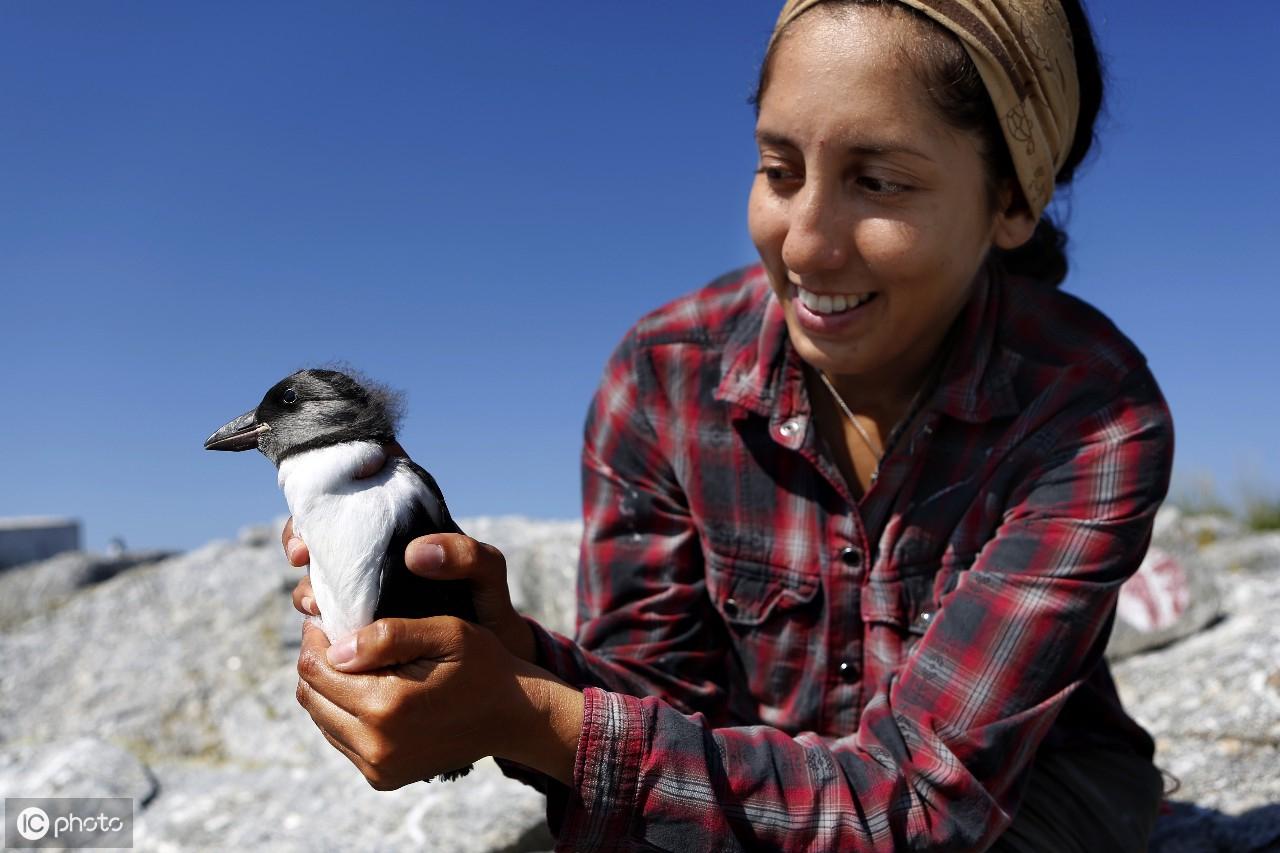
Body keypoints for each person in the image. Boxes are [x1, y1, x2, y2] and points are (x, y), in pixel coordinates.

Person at [286, 0, 1174, 849]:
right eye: (779, 171)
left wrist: (533, 716)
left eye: (880, 182)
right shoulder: (666, 377)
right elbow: (656, 698)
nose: (804, 244)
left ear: (1014, 200)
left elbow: (923, 805)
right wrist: (500, 653)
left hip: (1023, 806)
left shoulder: (1090, 418)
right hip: (746, 799)